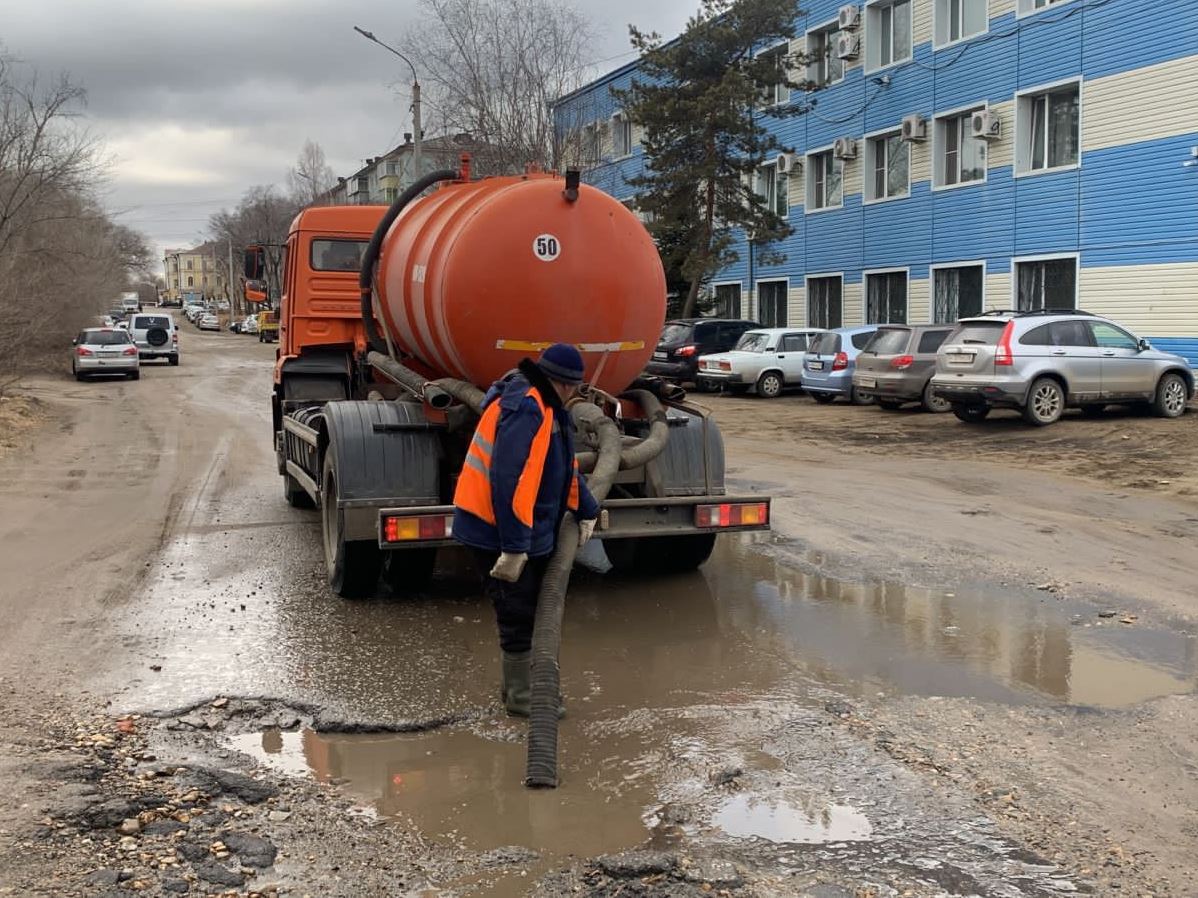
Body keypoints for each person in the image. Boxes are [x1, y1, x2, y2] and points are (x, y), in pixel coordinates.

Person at [452, 343, 601, 716]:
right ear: (565, 384)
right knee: (517, 610)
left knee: (529, 607)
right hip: (495, 530)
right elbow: (510, 479)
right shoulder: (526, 408)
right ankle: (521, 697)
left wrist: (587, 509)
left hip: (518, 527)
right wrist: (515, 546)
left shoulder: (546, 407)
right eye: (575, 388)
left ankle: (520, 689)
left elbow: (561, 467)